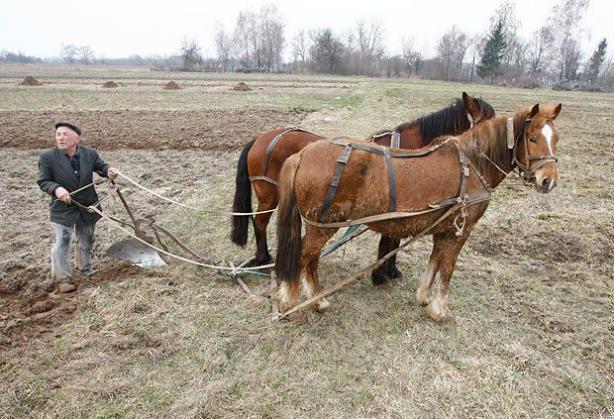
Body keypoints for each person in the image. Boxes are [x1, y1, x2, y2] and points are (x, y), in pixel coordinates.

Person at [37, 122, 118, 293]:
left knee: (87, 239)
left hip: (87, 205)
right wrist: (57, 189)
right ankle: (62, 279)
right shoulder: (48, 158)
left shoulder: (89, 154)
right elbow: (43, 181)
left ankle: (85, 269)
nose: (60, 137)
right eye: (58, 134)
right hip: (62, 208)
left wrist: (109, 171)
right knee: (63, 240)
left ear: (76, 138)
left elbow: (101, 167)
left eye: (65, 134)